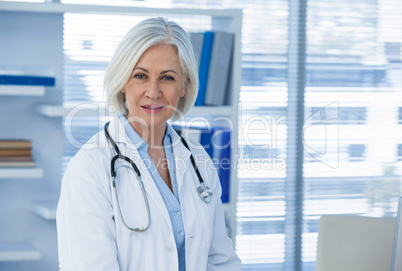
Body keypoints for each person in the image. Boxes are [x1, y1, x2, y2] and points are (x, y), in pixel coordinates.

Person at [56, 17, 242, 271]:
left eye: (167, 78)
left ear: (184, 86)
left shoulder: (199, 160)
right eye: (141, 76)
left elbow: (220, 261)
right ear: (123, 82)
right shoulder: (89, 168)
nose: (153, 92)